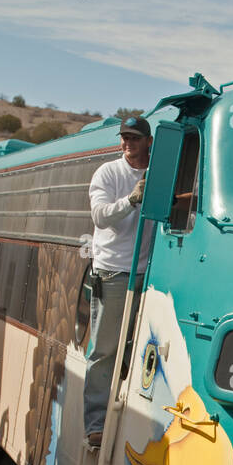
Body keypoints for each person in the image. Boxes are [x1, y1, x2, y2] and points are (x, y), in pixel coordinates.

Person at [83, 116, 155, 448]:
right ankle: (95, 424)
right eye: (124, 137)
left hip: (151, 273)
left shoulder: (161, 171)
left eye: (135, 138)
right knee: (105, 350)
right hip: (113, 273)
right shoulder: (109, 173)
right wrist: (131, 200)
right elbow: (99, 217)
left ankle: (133, 420)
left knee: (144, 351)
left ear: (149, 141)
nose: (128, 142)